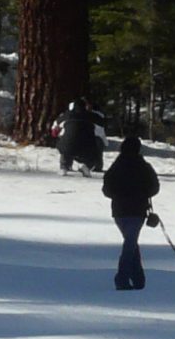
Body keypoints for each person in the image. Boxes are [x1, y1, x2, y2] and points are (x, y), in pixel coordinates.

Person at [104, 133, 160, 290]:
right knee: (130, 243)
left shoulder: (115, 167)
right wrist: (142, 193)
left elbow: (106, 190)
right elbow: (154, 188)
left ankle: (138, 279)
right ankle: (122, 279)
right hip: (138, 210)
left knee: (130, 242)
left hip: (119, 211)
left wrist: (119, 195)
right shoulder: (144, 167)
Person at [55, 97, 105, 174]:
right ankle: (87, 166)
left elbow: (56, 125)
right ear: (85, 106)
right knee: (97, 147)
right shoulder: (90, 115)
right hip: (85, 146)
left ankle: (64, 166)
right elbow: (102, 124)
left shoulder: (67, 115)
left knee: (65, 145)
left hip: (68, 145)